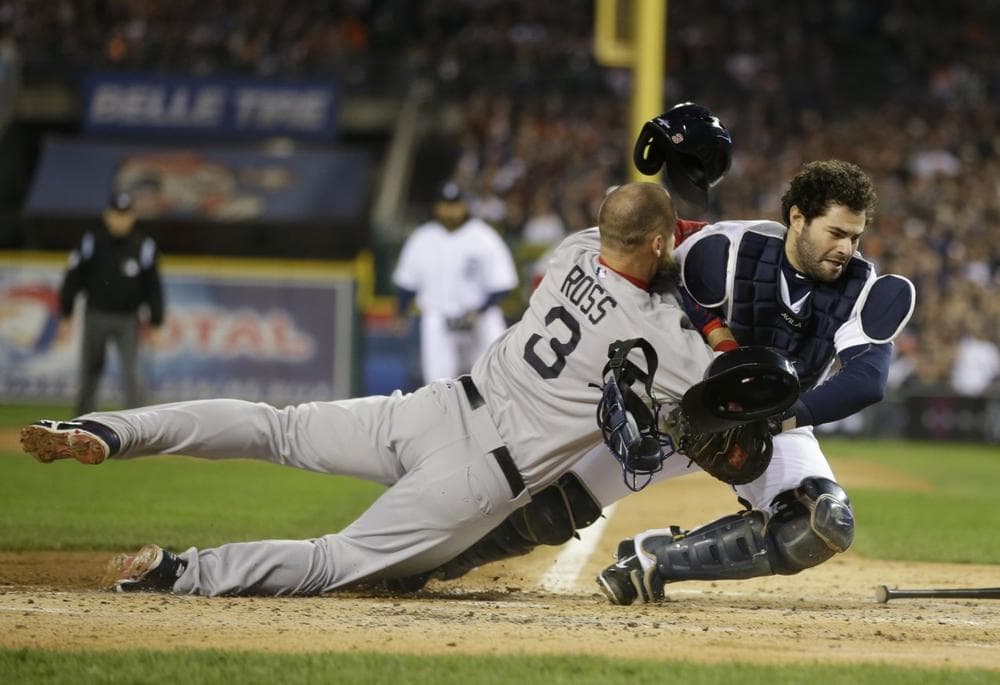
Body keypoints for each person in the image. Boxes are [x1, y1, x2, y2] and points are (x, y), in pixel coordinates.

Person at [20, 181, 727, 597]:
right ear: (663, 242)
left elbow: (639, 231)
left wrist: (662, 232)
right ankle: (181, 573)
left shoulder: (573, 249)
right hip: (482, 473)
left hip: (435, 407)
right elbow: (726, 381)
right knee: (337, 560)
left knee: (276, 427)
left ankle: (114, 428)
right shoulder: (661, 335)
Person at [593, 158, 917, 604]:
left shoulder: (863, 288)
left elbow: (867, 380)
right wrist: (716, 338)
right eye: (836, 233)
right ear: (797, 218)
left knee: (822, 524)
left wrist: (778, 421)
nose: (847, 248)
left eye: (855, 236)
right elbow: (668, 281)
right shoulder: (729, 248)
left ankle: (653, 560)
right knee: (548, 505)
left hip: (768, 422)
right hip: (679, 405)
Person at [393, 181, 519, 383]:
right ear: (436, 207)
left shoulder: (484, 236)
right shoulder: (422, 238)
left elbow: (503, 284)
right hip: (438, 318)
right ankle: (445, 415)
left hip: (480, 318)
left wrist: (480, 310)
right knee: (438, 385)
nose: (450, 211)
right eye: (446, 205)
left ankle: (493, 414)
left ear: (464, 206)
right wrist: (401, 312)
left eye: (455, 205)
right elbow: (406, 283)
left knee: (493, 379)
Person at [58, 190, 164, 417]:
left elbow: (154, 286)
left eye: (125, 214)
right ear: (108, 215)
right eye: (116, 214)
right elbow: (73, 277)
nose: (120, 219)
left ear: (132, 216)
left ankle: (137, 425)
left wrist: (156, 321)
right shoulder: (92, 241)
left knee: (132, 372)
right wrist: (66, 313)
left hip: (128, 319)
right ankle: (82, 421)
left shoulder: (143, 245)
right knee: (90, 370)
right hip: (96, 314)